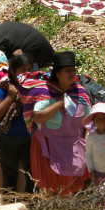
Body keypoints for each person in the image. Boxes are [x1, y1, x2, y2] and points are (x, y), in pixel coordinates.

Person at [23, 51, 92, 194]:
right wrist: (60, 103)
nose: (72, 73)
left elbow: (89, 121)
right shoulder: (46, 92)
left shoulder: (80, 93)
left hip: (73, 149)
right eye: (67, 71)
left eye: (73, 70)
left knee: (69, 192)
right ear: (58, 74)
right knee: (51, 191)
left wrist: (84, 143)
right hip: (49, 149)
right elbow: (38, 117)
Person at [0, 51, 32, 192]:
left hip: (28, 139)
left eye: (29, 70)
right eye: (22, 70)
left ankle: (25, 208)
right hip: (7, 140)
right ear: (12, 71)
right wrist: (10, 97)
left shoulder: (35, 89)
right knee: (10, 177)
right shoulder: (4, 89)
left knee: (28, 176)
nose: (26, 74)